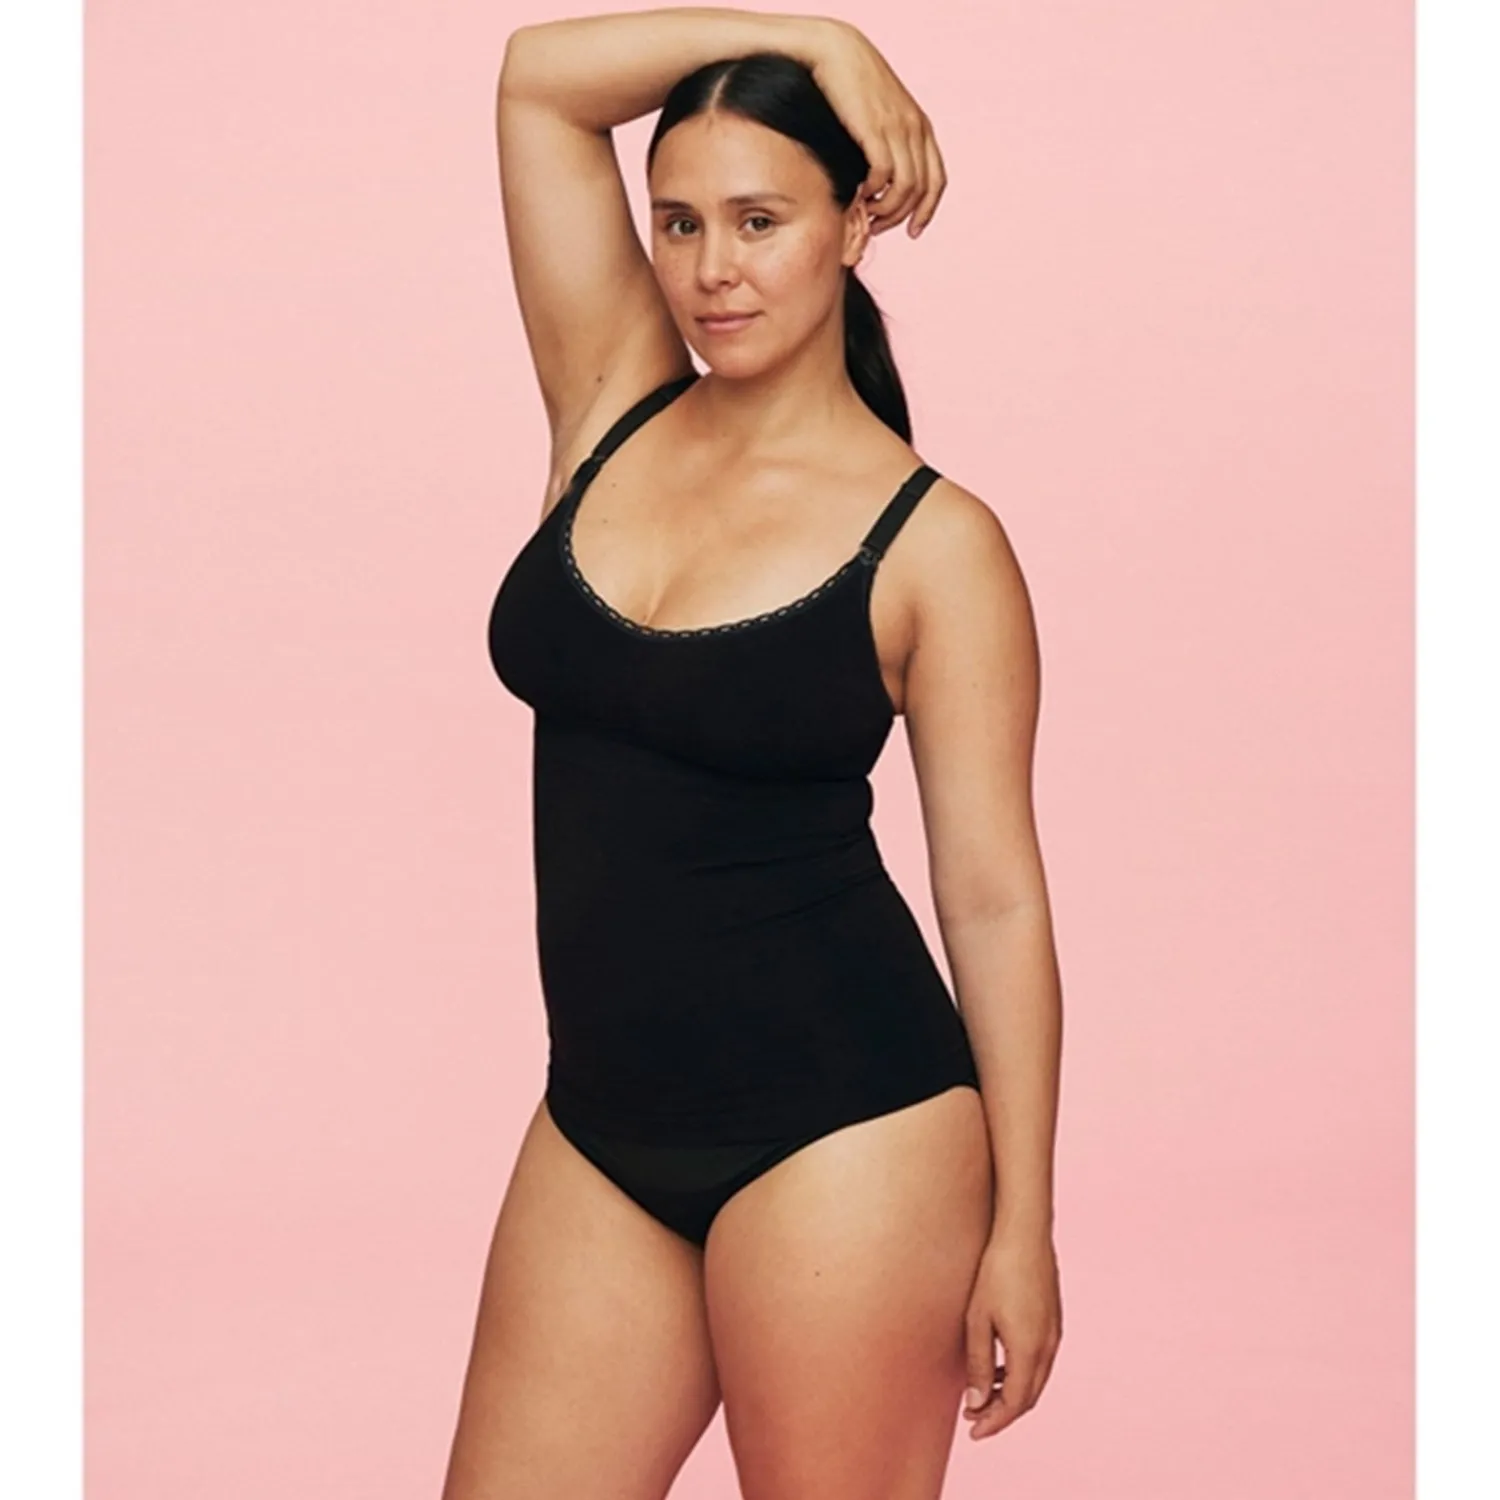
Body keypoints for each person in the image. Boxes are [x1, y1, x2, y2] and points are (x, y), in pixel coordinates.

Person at [445, 9, 1063, 1498]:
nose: (712, 267)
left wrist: (1024, 1224)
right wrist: (815, 38)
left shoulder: (937, 547)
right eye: (679, 222)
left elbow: (992, 899)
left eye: (761, 220)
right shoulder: (611, 402)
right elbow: (537, 81)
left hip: (850, 1132)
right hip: (602, 1124)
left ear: (855, 224)